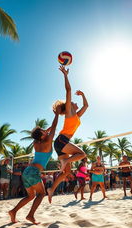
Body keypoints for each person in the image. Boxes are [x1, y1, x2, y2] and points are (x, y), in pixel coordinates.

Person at [9, 107, 60, 224]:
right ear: (42, 135)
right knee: (41, 194)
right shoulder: (47, 142)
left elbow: (46, 132)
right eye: (43, 130)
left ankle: (13, 211)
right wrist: (57, 114)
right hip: (33, 172)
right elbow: (54, 125)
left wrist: (44, 131)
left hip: (27, 171)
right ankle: (30, 215)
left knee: (31, 196)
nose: (45, 130)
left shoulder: (36, 142)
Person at [47, 66, 88, 203]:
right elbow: (68, 90)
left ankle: (51, 190)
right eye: (73, 102)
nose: (74, 103)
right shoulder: (70, 112)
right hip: (62, 140)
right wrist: (65, 75)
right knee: (82, 154)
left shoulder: (76, 115)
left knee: (67, 173)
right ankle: (66, 161)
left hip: (61, 143)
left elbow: (86, 106)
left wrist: (83, 95)